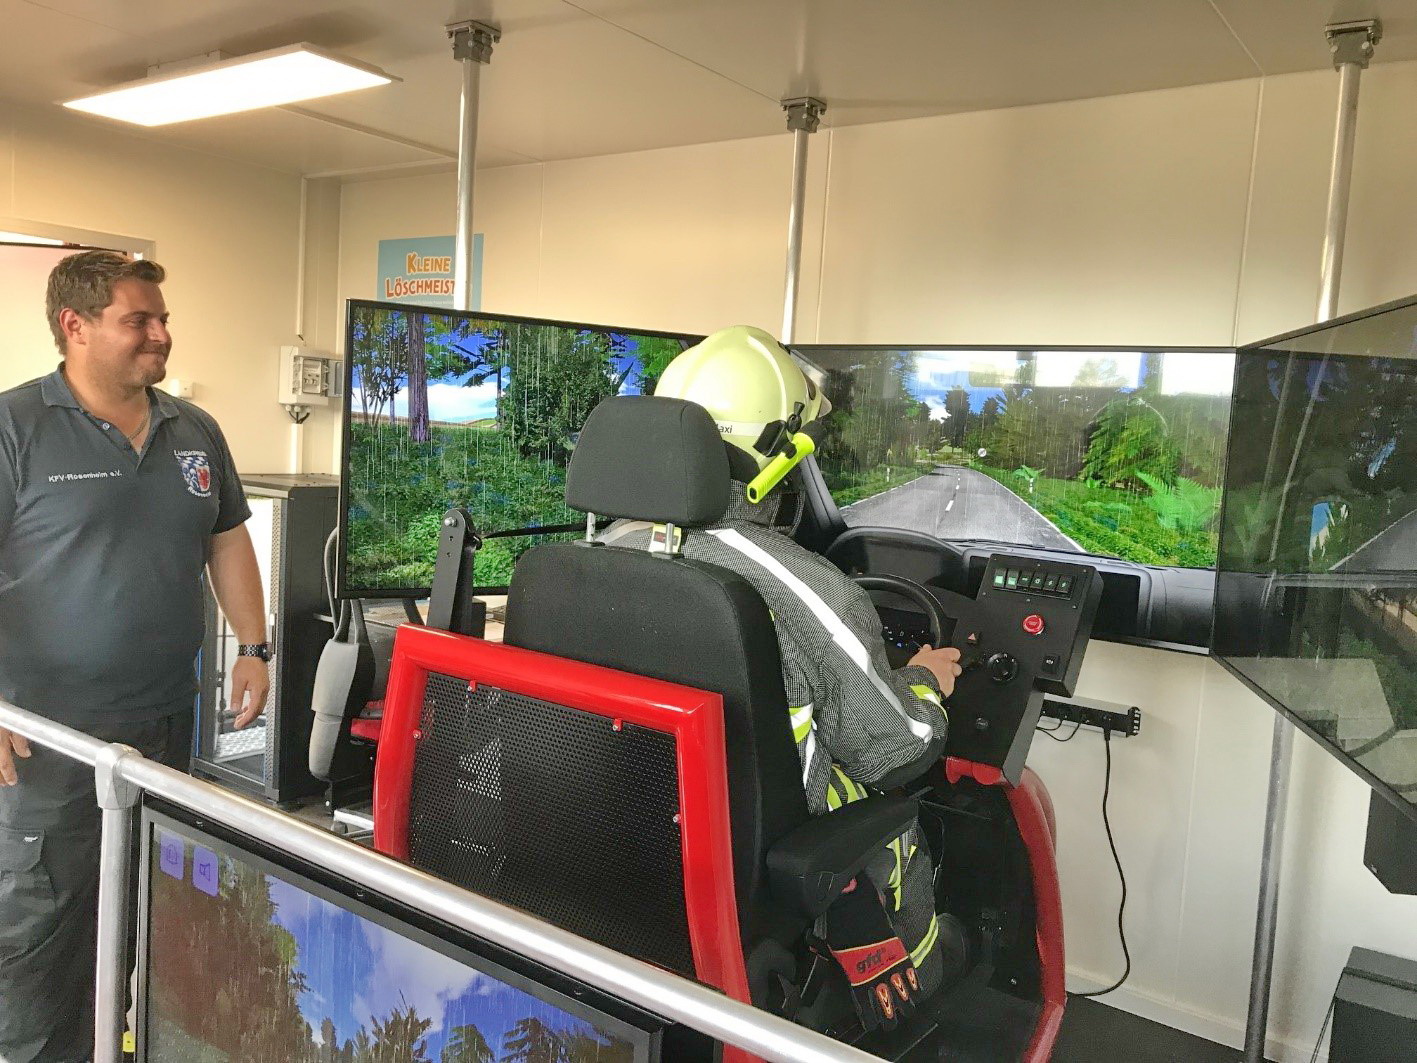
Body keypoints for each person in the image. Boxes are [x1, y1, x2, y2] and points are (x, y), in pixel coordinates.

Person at [605, 325, 964, 1030]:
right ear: (776, 460)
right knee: (895, 823)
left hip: (619, 849)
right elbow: (897, 750)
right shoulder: (808, 591)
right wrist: (922, 680)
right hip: (755, 878)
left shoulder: (590, 555)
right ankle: (923, 978)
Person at [0, 250, 270, 1063]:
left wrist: (254, 644)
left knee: (138, 905)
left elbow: (226, 537)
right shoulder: (16, 426)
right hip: (45, 736)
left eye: (162, 319)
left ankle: (107, 1044)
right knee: (41, 922)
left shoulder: (194, 429)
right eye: (138, 320)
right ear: (74, 325)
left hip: (162, 723)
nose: (161, 335)